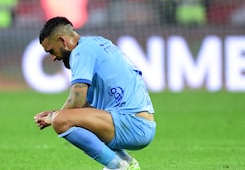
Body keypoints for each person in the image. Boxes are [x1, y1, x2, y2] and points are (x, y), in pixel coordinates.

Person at [34, 16, 156, 170]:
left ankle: (117, 166)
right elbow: (82, 105)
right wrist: (54, 113)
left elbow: (77, 100)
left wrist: (55, 117)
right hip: (140, 123)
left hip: (131, 125)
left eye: (51, 51)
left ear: (63, 41)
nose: (52, 58)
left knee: (60, 121)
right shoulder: (97, 43)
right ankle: (126, 161)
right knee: (64, 117)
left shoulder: (80, 52)